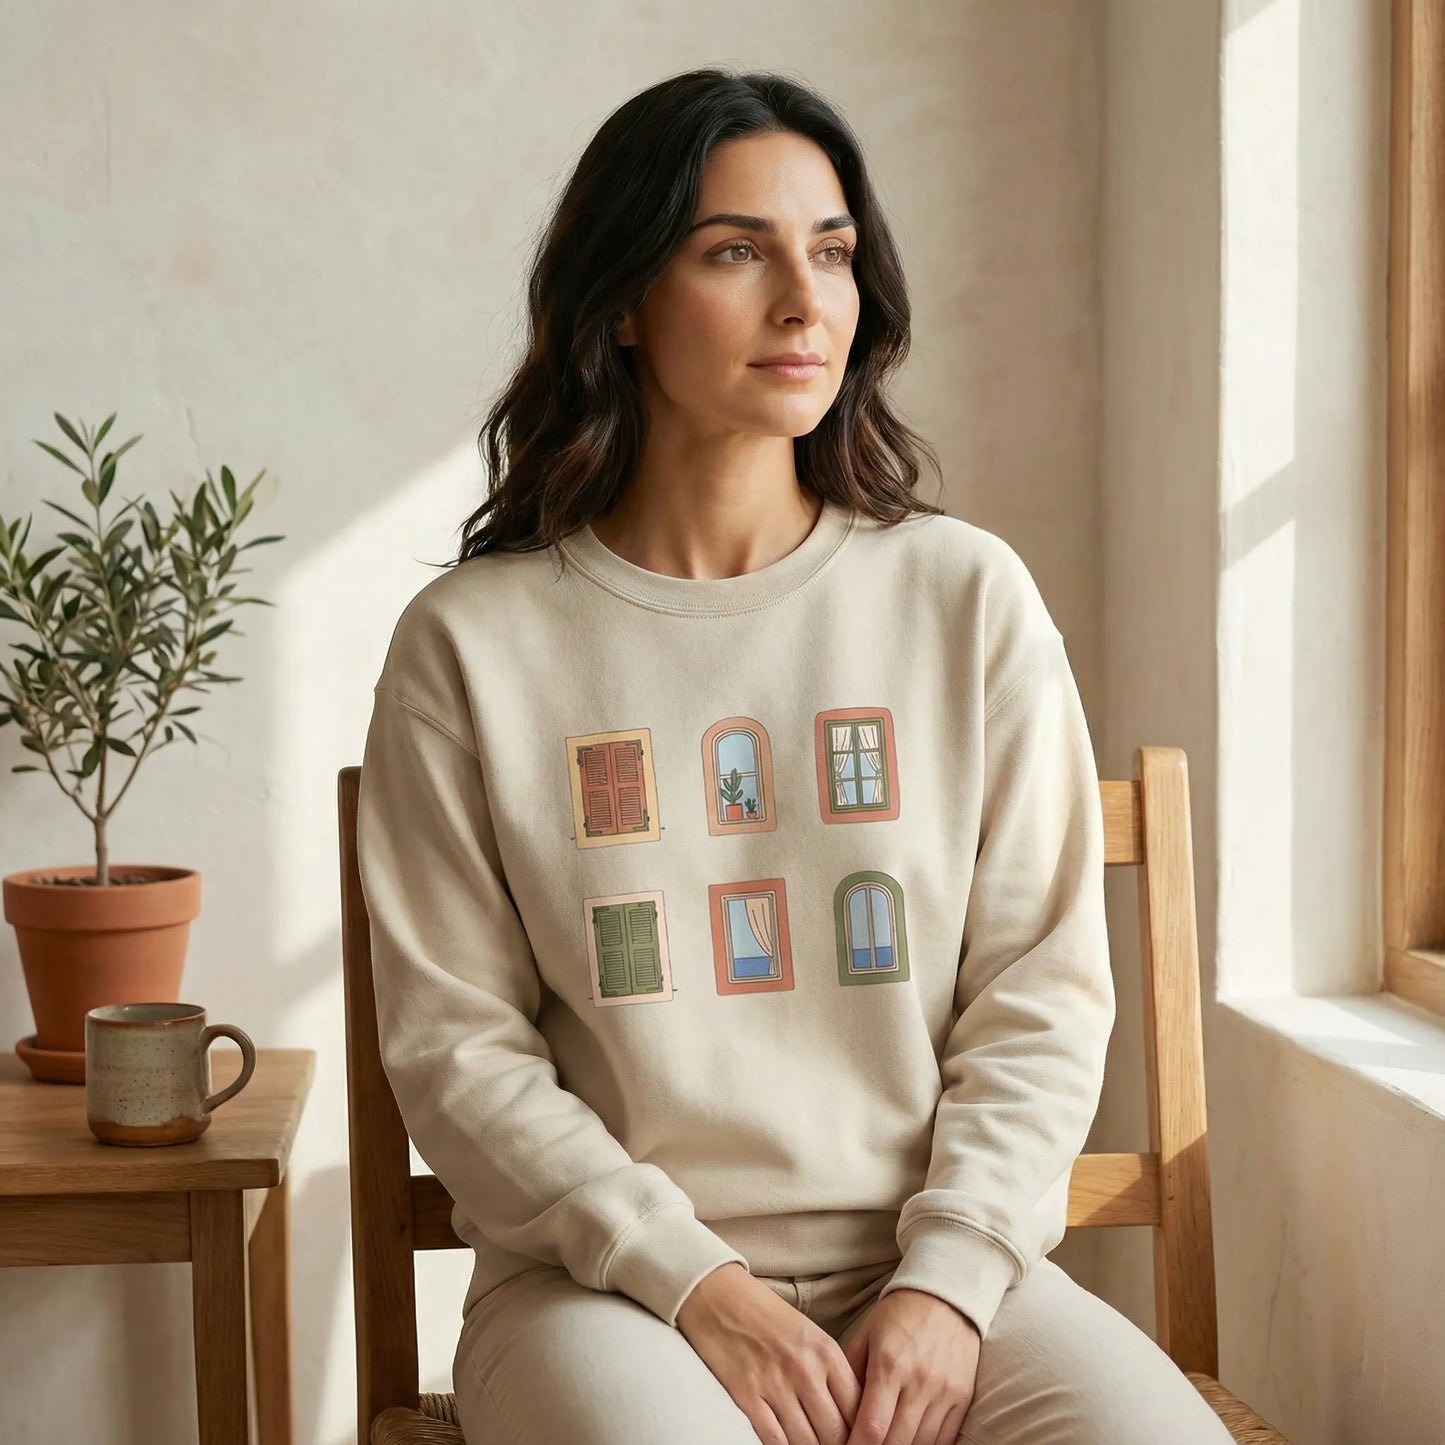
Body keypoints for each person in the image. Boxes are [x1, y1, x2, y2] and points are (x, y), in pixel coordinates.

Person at [356, 65, 1235, 1445]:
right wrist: (692, 1278)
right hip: (606, 1294)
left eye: (828, 251)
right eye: (732, 251)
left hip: (942, 1273)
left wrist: (947, 1283)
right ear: (623, 302)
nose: (803, 297)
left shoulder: (965, 597)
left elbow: (1042, 995)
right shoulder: (470, 645)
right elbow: (458, 1050)